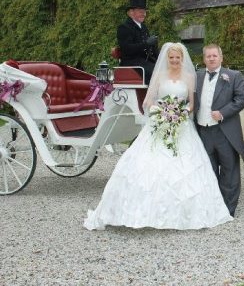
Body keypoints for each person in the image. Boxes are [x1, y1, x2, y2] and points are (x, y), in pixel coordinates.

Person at [84, 43, 232, 230]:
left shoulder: (189, 77)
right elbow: (148, 100)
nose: (175, 61)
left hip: (182, 125)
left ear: (182, 59)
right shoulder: (160, 76)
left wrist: (181, 113)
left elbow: (192, 104)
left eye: (178, 58)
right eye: (171, 58)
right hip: (159, 124)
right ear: (167, 59)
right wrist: (159, 112)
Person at [195, 44, 244, 217]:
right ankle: (212, 207)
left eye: (214, 55)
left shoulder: (234, 76)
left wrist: (223, 113)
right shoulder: (197, 76)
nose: (211, 58)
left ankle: (228, 210)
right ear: (204, 59)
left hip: (225, 132)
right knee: (208, 170)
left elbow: (241, 99)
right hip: (203, 131)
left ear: (221, 57)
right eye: (208, 56)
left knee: (229, 171)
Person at [116, 0, 158, 84]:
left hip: (145, 60)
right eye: (141, 11)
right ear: (131, 12)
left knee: (164, 68)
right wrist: (146, 43)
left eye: (145, 11)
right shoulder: (124, 27)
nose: (144, 14)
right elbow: (127, 49)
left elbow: (150, 48)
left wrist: (159, 58)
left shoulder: (143, 27)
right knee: (155, 72)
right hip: (131, 62)